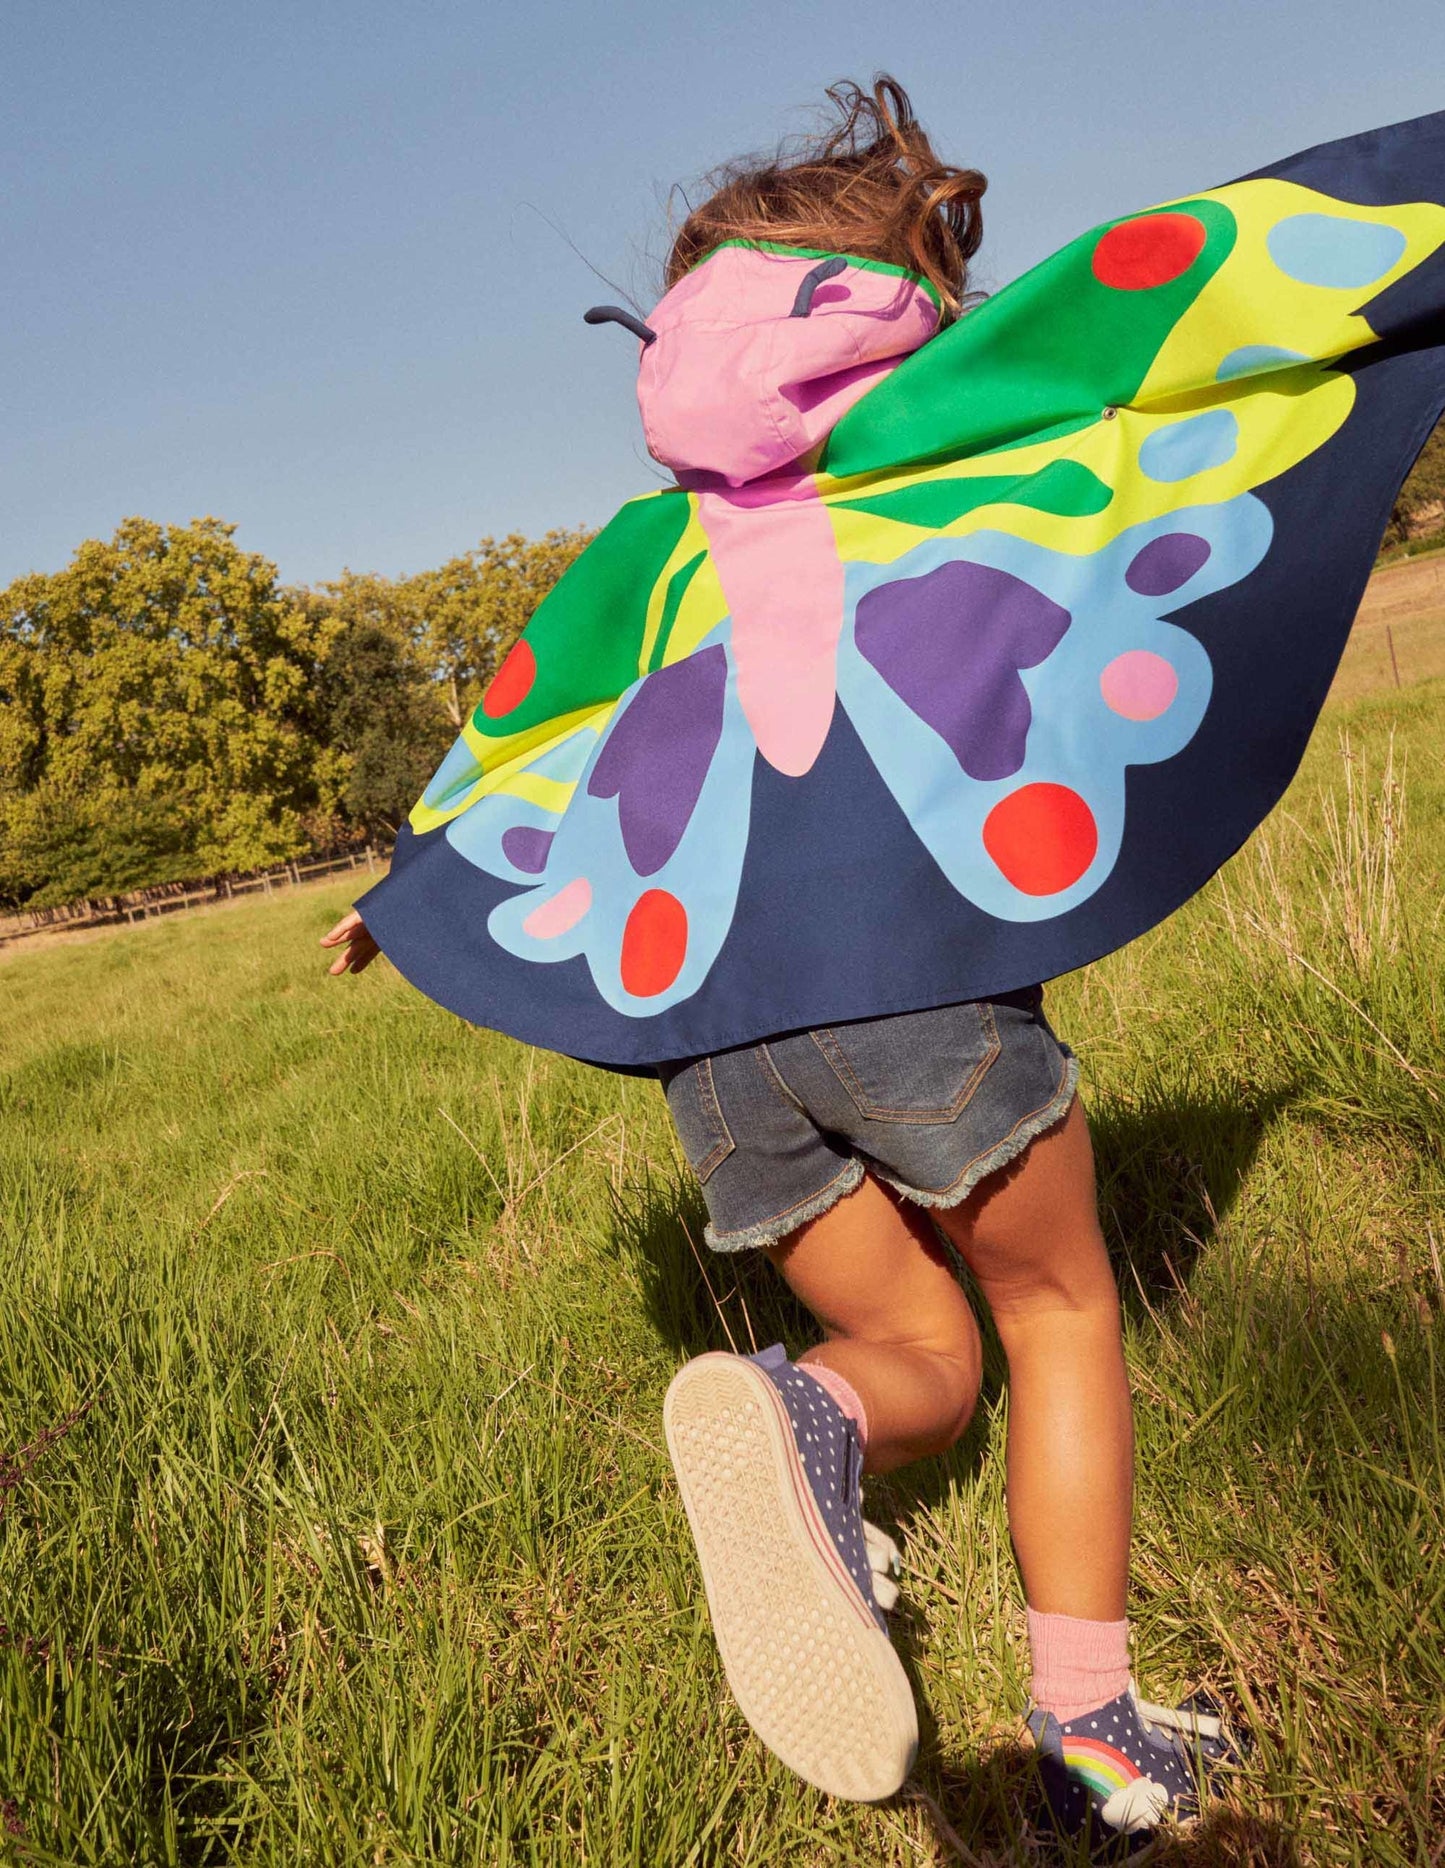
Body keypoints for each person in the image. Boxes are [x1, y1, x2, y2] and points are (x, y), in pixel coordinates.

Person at [324, 76, 1252, 1848]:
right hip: (918, 992)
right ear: (896, 307)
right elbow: (1206, 367)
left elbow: (515, 728)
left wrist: (411, 886)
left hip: (719, 1051)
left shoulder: (642, 553)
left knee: (912, 1352)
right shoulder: (950, 460)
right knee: (1056, 1317)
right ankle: (1094, 1739)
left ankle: (794, 1411)